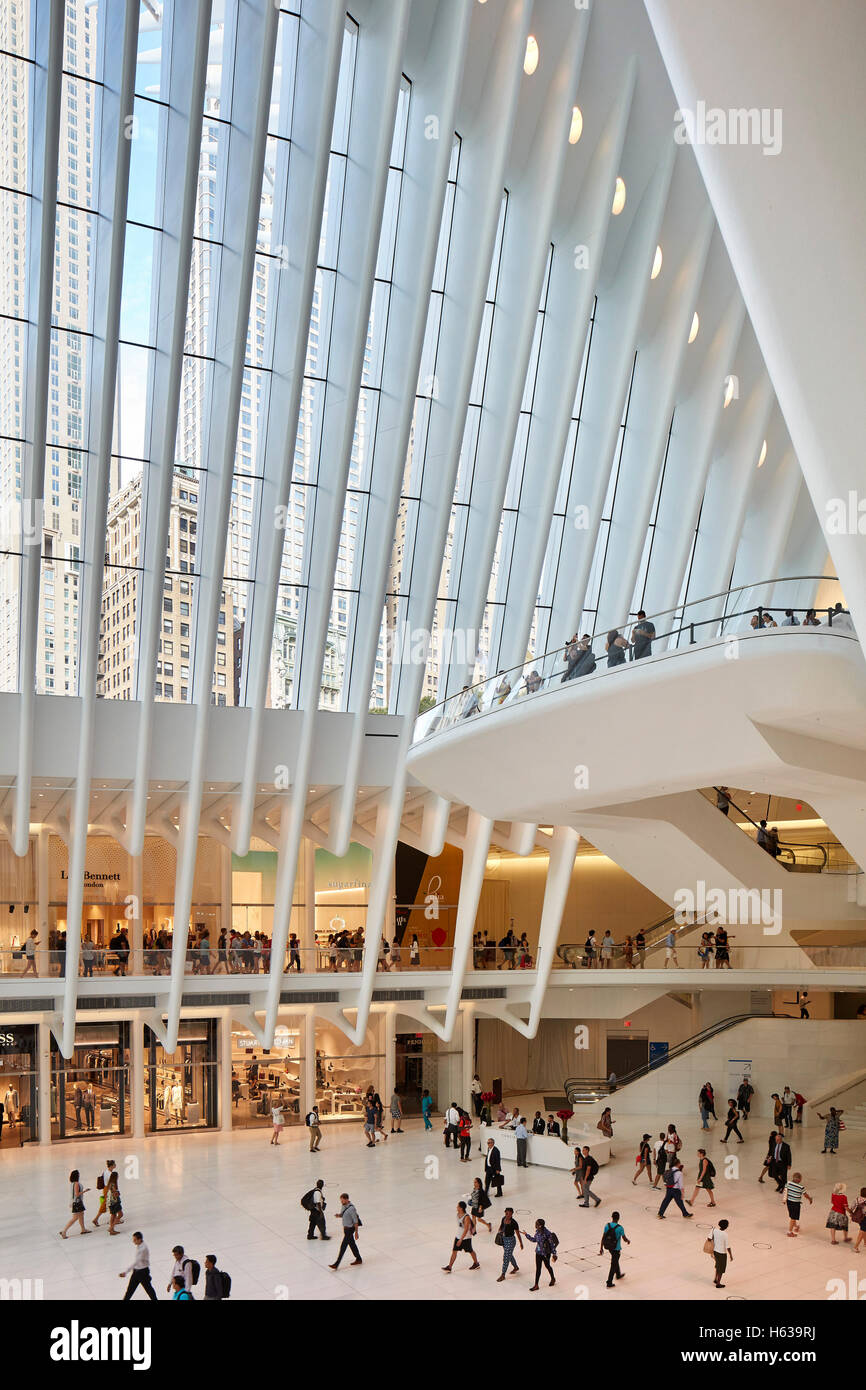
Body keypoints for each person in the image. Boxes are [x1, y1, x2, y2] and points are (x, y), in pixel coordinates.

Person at [441, 1201, 480, 1272]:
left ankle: (476, 1263)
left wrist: (461, 1239)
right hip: (458, 1236)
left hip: (465, 1238)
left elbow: (466, 1229)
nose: (457, 1207)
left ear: (461, 1208)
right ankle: (449, 1267)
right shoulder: (458, 1214)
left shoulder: (466, 1217)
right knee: (454, 1251)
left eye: (458, 1206)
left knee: (470, 1250)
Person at [119, 1232, 158, 1301]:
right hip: (136, 1271)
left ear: (139, 1239)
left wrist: (126, 1272)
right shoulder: (139, 1246)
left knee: (149, 1289)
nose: (133, 1241)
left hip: (143, 1272)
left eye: (135, 1240)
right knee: (130, 1290)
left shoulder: (143, 1248)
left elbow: (136, 1262)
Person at [329, 1194, 362, 1269]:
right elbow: (343, 1214)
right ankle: (359, 1259)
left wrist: (356, 1232)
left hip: (350, 1229)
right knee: (352, 1244)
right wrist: (339, 1215)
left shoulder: (352, 1209)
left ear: (347, 1199)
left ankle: (336, 1264)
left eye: (343, 1200)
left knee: (343, 1246)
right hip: (345, 1229)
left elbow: (355, 1221)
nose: (341, 1202)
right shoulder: (343, 1206)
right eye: (341, 1200)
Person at [525, 1218, 558, 1289]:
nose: (535, 1225)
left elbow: (552, 1244)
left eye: (536, 1224)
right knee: (538, 1269)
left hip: (546, 1254)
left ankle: (553, 1278)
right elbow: (534, 1240)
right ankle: (536, 1285)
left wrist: (554, 1254)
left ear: (540, 1225)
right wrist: (526, 1235)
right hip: (538, 1253)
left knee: (547, 1266)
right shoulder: (537, 1232)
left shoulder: (547, 1233)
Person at [600, 1210, 630, 1287]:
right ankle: (609, 1282)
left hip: (609, 1247)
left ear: (612, 1217)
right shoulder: (620, 1228)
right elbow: (624, 1238)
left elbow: (603, 1237)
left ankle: (618, 1274)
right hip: (616, 1248)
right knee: (613, 1264)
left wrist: (601, 1248)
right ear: (618, 1218)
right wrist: (628, 1241)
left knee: (615, 1260)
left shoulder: (607, 1225)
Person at [59, 1169, 91, 1239]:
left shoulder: (72, 1183)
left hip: (76, 1202)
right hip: (77, 1202)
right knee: (75, 1217)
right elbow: (77, 1194)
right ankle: (64, 1231)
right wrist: (85, 1191)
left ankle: (83, 1229)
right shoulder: (76, 1183)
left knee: (81, 1215)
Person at [496, 1207, 523, 1281]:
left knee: (506, 1257)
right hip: (504, 1240)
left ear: (512, 1214)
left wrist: (521, 1243)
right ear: (505, 1213)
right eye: (507, 1213)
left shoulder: (514, 1223)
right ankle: (516, 1267)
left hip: (511, 1241)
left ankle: (503, 1274)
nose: (508, 1215)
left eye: (510, 1214)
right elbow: (501, 1226)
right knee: (509, 1255)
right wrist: (499, 1231)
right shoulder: (503, 1219)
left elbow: (517, 1233)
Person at [784, 1172, 812, 1237]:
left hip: (789, 1202)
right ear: (800, 1179)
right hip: (795, 1204)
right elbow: (805, 1195)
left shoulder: (788, 1183)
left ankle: (796, 1226)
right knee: (793, 1217)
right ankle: (789, 1232)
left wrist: (784, 1200)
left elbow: (785, 1191)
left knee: (793, 1216)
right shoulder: (801, 1187)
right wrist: (810, 1199)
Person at [93, 1158, 118, 1228]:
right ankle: (96, 1219)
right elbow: (111, 1184)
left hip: (105, 1188)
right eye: (114, 1164)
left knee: (107, 1204)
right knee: (110, 1204)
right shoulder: (110, 1174)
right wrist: (115, 1191)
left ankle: (115, 1217)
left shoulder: (105, 1171)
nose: (115, 1165)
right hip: (109, 1190)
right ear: (112, 1165)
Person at [709, 1219, 732, 1288]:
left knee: (717, 1266)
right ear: (726, 1226)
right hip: (722, 1253)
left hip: (715, 1251)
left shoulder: (714, 1230)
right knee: (721, 1269)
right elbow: (727, 1246)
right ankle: (718, 1283)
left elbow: (709, 1239)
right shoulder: (725, 1234)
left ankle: (715, 1279)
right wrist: (731, 1255)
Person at [106, 1170, 123, 1235]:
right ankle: (111, 1228)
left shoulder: (110, 1183)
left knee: (113, 1215)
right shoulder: (113, 1184)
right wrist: (118, 1193)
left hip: (110, 1202)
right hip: (115, 1202)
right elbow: (115, 1194)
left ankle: (111, 1229)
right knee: (120, 1214)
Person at [850, 1187, 866, 1253]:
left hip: (859, 1218)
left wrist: (853, 1215)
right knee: (862, 1231)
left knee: (864, 1230)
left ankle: (865, 1242)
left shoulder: (856, 1199)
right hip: (865, 1218)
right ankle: (855, 1247)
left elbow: (851, 1208)